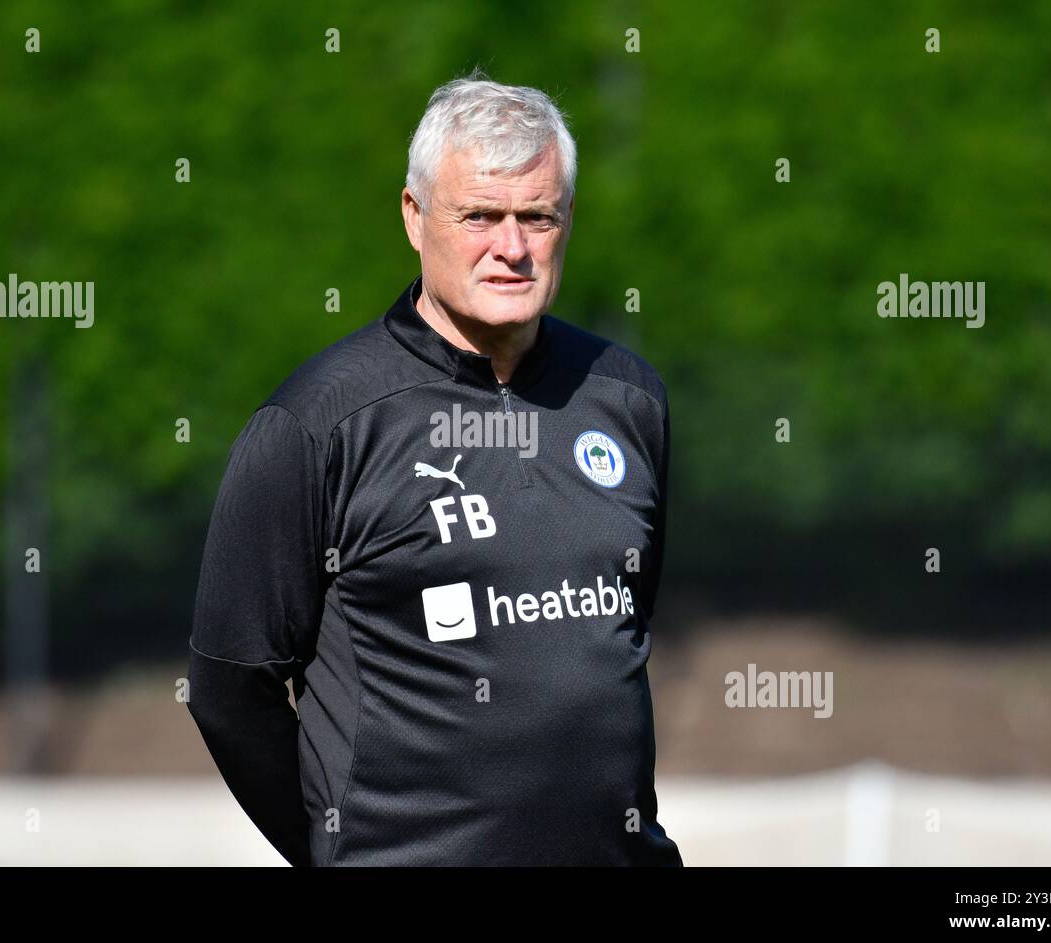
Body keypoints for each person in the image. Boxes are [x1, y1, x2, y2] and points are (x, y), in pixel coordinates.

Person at [186, 70, 682, 866]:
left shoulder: (628, 398)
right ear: (416, 218)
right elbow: (228, 690)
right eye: (480, 215)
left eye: (537, 217)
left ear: (568, 220)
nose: (511, 248)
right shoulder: (318, 422)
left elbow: (624, 631)